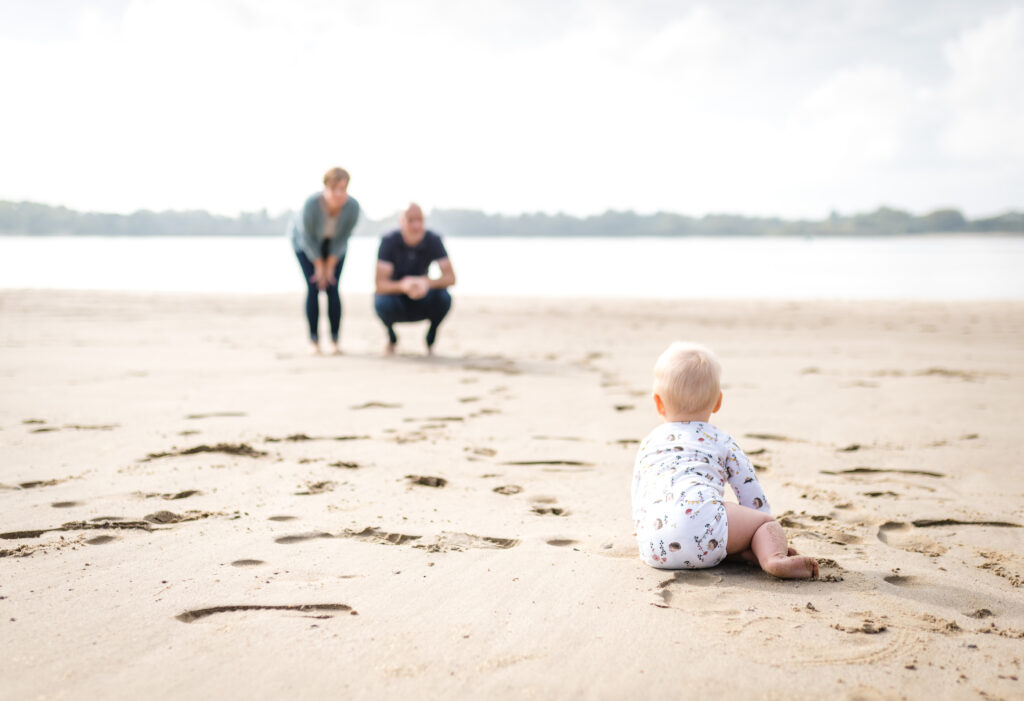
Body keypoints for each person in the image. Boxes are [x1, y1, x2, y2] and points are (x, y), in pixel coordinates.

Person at [631, 341, 819, 579]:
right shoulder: (721, 440)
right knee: (761, 524)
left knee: (706, 527)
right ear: (718, 402)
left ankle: (736, 552)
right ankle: (772, 558)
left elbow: (639, 491)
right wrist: (757, 527)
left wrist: (640, 525)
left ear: (658, 403)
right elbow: (749, 488)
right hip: (706, 528)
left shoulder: (650, 441)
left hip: (653, 546)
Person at [288, 167, 360, 354]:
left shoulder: (353, 207)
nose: (339, 194)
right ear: (325, 187)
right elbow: (306, 238)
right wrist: (319, 266)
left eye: (343, 189)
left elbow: (343, 237)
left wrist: (330, 266)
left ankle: (335, 341)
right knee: (313, 287)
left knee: (332, 287)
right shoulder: (311, 205)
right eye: (335, 188)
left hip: (334, 246)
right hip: (304, 245)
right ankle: (314, 341)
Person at [374, 203, 456, 355]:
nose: (416, 225)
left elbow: (450, 277)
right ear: (401, 221)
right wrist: (403, 286)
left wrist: (426, 282)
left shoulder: (433, 239)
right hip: (396, 297)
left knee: (445, 297)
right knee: (380, 301)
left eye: (419, 220)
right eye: (410, 220)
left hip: (424, 294)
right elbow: (380, 284)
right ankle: (392, 337)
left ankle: (430, 339)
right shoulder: (389, 240)